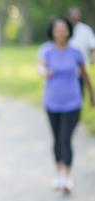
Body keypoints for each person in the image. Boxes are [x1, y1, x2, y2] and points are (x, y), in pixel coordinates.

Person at [38, 17, 95, 194]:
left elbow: (85, 75)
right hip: (52, 103)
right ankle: (58, 174)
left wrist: (92, 95)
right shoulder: (46, 50)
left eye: (64, 28)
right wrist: (45, 71)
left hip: (72, 103)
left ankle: (67, 177)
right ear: (52, 32)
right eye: (57, 28)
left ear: (69, 31)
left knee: (66, 139)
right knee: (56, 139)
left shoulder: (76, 52)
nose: (61, 31)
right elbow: (40, 67)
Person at [68, 7, 95, 94]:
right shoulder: (64, 29)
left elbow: (92, 46)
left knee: (79, 93)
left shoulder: (85, 29)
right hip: (66, 69)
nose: (74, 17)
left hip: (81, 69)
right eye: (72, 15)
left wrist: (93, 58)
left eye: (76, 14)